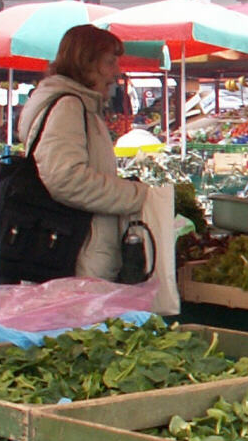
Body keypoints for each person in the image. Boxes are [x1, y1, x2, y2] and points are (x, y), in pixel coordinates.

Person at [20, 25, 150, 281]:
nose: (116, 72)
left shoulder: (79, 106)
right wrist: (137, 196)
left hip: (77, 255)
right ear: (86, 62)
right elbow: (65, 179)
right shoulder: (68, 107)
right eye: (110, 62)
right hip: (75, 258)